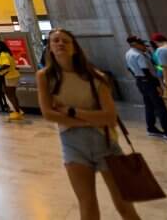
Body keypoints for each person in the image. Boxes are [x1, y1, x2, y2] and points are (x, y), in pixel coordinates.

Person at [37, 29, 139, 220]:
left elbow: (109, 117)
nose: (60, 44)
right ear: (49, 48)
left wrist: (71, 112)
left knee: (125, 206)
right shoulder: (44, 77)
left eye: (65, 41)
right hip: (73, 146)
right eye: (55, 41)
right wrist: (90, 118)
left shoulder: (95, 76)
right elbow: (49, 114)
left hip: (105, 142)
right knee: (88, 206)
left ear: (74, 47)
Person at [124, 35, 167, 142]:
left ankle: (151, 128)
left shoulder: (128, 53)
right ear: (134, 44)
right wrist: (157, 85)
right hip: (149, 82)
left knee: (149, 106)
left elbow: (130, 68)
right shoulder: (139, 55)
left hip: (140, 81)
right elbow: (146, 71)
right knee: (160, 107)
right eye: (142, 44)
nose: (144, 46)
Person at [0, 41, 24, 120]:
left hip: (9, 76)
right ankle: (17, 110)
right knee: (11, 93)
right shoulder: (7, 54)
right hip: (12, 76)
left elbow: (6, 65)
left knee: (10, 94)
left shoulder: (3, 55)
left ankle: (17, 112)